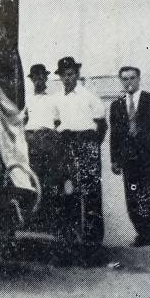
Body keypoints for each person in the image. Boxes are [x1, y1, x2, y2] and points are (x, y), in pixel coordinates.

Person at [53, 56, 107, 248]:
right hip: (67, 146)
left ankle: (92, 246)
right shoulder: (57, 99)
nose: (67, 78)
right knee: (68, 192)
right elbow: (56, 123)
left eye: (70, 74)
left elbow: (101, 125)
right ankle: (69, 244)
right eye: (63, 75)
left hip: (87, 145)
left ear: (76, 74)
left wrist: (90, 147)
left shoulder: (89, 97)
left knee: (91, 194)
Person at [110, 66, 150, 248]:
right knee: (133, 196)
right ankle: (143, 233)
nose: (128, 82)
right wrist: (114, 159)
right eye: (125, 79)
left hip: (149, 157)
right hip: (129, 160)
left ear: (138, 79)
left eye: (132, 78)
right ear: (121, 81)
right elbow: (114, 134)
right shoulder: (117, 105)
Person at [23, 64, 61, 219]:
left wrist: (49, 135)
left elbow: (58, 122)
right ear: (32, 80)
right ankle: (32, 214)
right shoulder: (27, 100)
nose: (38, 80)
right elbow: (23, 121)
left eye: (41, 76)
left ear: (46, 78)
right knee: (31, 176)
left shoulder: (53, 99)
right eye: (35, 77)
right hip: (31, 139)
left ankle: (48, 213)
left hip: (47, 140)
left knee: (49, 177)